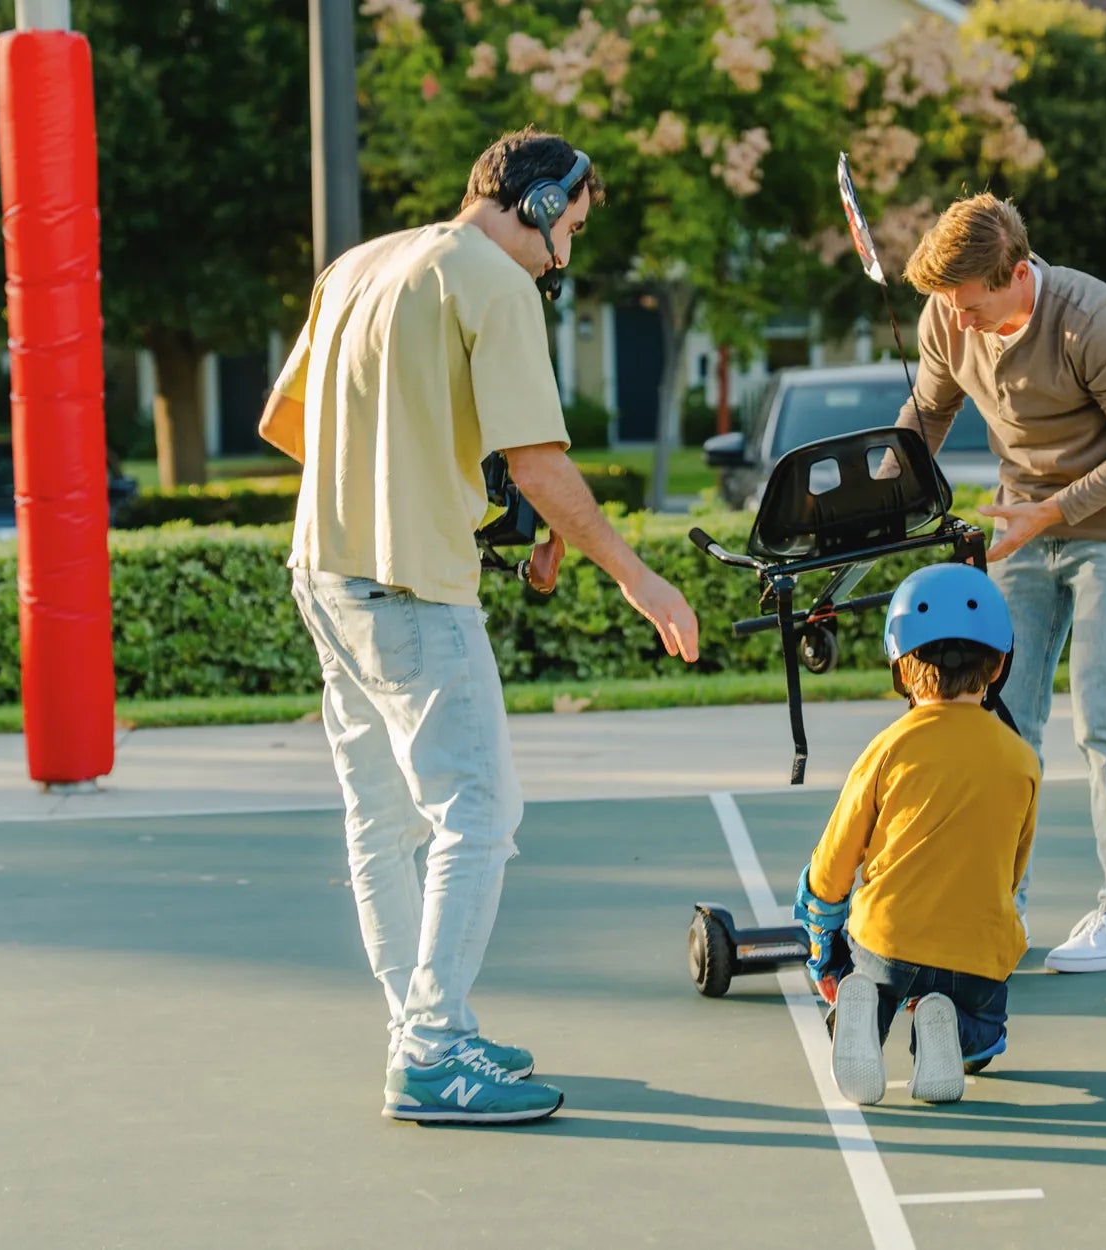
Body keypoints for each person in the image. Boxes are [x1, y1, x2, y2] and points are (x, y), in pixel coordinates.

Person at [257, 127, 700, 1125]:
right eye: (568, 230)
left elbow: (291, 425)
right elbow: (538, 461)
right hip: (412, 589)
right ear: (539, 204)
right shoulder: (494, 284)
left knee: (381, 821)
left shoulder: (357, 266)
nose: (564, 257)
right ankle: (434, 1047)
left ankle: (416, 1027)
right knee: (480, 816)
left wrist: (463, 500)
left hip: (324, 575)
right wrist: (637, 578)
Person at [895, 194, 1106, 974]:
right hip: (1021, 529)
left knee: (1103, 716)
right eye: (947, 310)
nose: (958, 324)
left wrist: (1053, 511)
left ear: (1018, 274)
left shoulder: (1096, 321)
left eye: (970, 306)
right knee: (1002, 719)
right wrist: (880, 500)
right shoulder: (947, 319)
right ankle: (999, 904)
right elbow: (924, 417)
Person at [795, 563, 1040, 1105]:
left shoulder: (889, 748)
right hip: (977, 955)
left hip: (889, 942)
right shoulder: (1023, 760)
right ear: (999, 664)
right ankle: (956, 1031)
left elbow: (834, 863)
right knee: (989, 1031)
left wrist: (820, 943)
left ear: (901, 670)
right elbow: (1013, 869)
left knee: (863, 954)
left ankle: (863, 1010)